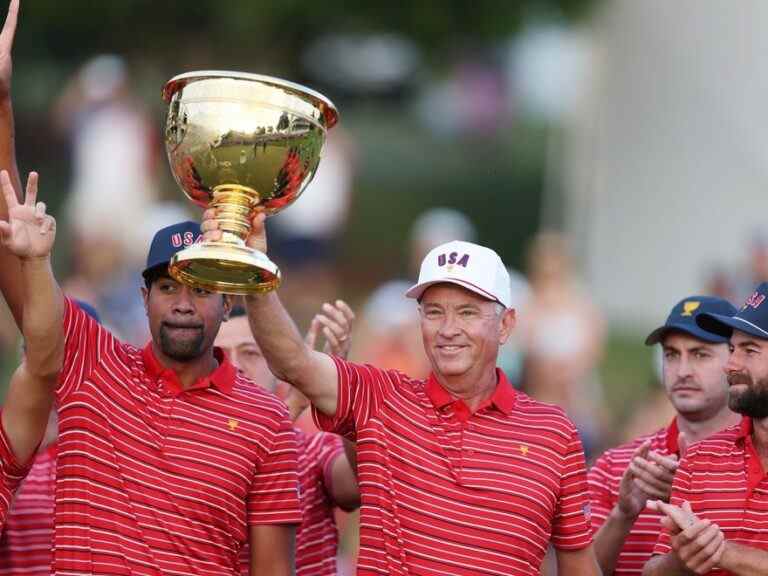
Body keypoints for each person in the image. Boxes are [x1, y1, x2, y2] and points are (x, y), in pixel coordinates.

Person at [204, 206, 600, 575]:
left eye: (467, 312)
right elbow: (291, 360)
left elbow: (578, 563)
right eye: (433, 312)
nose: (448, 330)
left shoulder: (554, 432)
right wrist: (254, 264)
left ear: (505, 325)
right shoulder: (381, 398)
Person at [0, 168, 302, 575]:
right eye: (166, 287)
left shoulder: (266, 420)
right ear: (144, 298)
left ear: (228, 304)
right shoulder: (93, 365)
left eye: (201, 289)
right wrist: (36, 262)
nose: (182, 303)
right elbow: (36, 318)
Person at [589, 296, 741, 575]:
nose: (682, 371)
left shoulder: (761, 459)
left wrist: (691, 494)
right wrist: (623, 515)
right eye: (671, 354)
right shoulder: (618, 466)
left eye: (700, 354)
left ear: (735, 360)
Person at [215, 303, 360, 576]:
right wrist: (292, 405)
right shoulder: (188, 446)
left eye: (250, 353)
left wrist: (339, 389)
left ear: (277, 366)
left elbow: (358, 485)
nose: (236, 366)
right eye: (219, 355)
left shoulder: (312, 449)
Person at [642, 282, 768, 575]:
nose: (731, 364)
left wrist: (720, 552)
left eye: (749, 350)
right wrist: (684, 557)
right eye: (733, 348)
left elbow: (720, 553)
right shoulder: (699, 459)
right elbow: (653, 571)